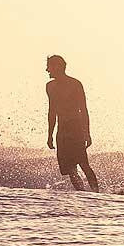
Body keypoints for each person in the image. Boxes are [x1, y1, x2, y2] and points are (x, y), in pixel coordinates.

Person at [46, 55, 99, 192]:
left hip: (76, 129)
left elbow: (83, 109)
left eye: (49, 66)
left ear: (57, 67)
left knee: (83, 164)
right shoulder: (49, 87)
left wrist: (87, 133)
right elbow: (52, 111)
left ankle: (96, 194)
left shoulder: (75, 84)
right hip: (62, 131)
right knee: (70, 169)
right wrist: (50, 135)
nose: (47, 70)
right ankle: (82, 194)